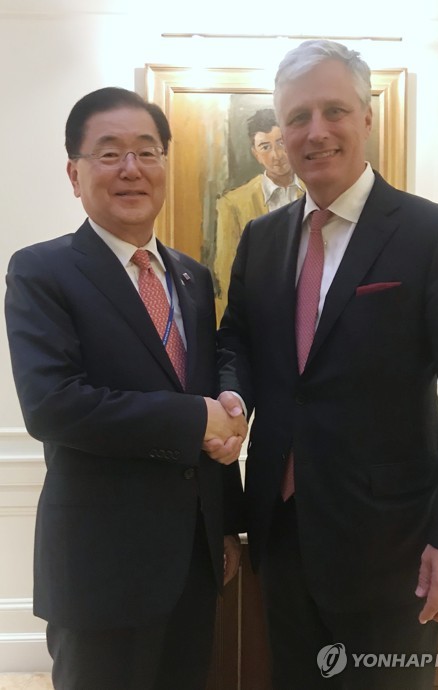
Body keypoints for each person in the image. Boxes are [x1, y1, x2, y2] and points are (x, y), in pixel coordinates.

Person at [216, 40, 438, 689]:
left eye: (334, 110)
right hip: (281, 533)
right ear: (280, 132)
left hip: (394, 547)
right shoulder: (261, 239)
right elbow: (236, 342)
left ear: (365, 118)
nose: (315, 131)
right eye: (297, 117)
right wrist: (230, 396)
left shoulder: (435, 235)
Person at [4, 86, 247, 690]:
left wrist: (225, 522)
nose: (131, 168)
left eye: (147, 151)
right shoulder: (41, 271)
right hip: (100, 569)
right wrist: (196, 419)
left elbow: (209, 377)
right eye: (109, 153)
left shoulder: (191, 276)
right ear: (74, 173)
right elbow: (54, 406)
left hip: (193, 561)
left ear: (165, 163)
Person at [214, 108, 304, 321]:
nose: (276, 155)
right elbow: (226, 272)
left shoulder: (317, 193)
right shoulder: (234, 203)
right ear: (255, 153)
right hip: (259, 317)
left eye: (281, 143)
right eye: (265, 147)